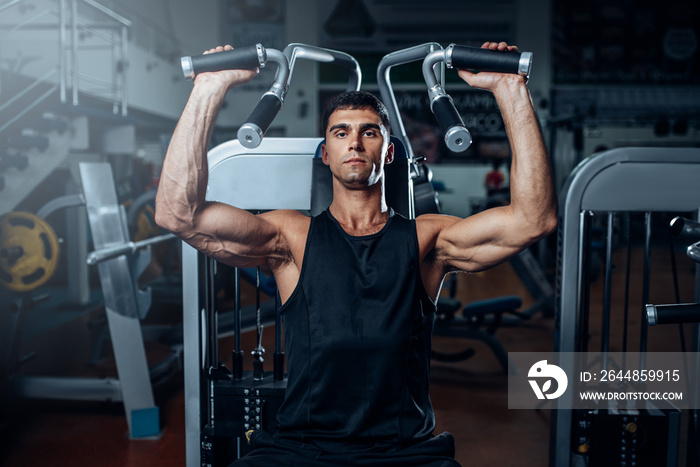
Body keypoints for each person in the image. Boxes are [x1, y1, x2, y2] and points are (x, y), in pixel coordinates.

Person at [155, 42, 557, 467]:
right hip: (300, 449)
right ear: (326, 154)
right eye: (340, 132)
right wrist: (208, 88)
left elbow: (534, 219)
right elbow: (176, 213)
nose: (355, 143)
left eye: (369, 131)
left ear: (388, 151)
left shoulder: (427, 241)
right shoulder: (291, 237)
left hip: (405, 453)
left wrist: (511, 90)